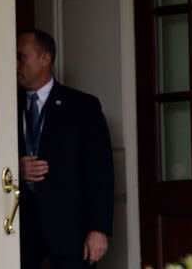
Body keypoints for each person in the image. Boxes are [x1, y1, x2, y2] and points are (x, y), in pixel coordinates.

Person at [16, 30, 114, 269]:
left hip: (70, 228)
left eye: (21, 57)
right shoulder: (5, 103)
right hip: (19, 227)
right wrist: (14, 167)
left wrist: (98, 228)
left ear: (45, 59)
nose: (16, 64)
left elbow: (100, 171)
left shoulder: (82, 106)